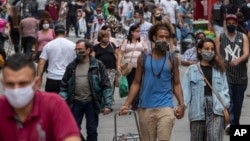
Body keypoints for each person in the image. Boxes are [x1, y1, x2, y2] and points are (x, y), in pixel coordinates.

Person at [119, 23, 185, 141]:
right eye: (161, 37)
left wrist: (181, 104)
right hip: (145, 107)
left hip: (166, 106)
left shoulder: (172, 59)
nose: (164, 40)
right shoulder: (143, 58)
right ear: (154, 38)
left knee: (164, 138)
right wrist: (126, 104)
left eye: (167, 37)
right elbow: (136, 82)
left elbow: (176, 83)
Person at [0, 53, 81, 141]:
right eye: (10, 84)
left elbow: (71, 138)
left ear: (37, 83)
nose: (16, 90)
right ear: (3, 83)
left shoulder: (54, 104)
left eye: (23, 84)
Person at [60, 39, 112, 141]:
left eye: (81, 49)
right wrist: (62, 102)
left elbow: (106, 84)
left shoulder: (98, 65)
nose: (78, 51)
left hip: (92, 103)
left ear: (88, 50)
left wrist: (107, 104)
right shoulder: (71, 66)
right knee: (73, 130)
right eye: (76, 49)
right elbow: (64, 86)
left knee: (92, 130)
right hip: (75, 103)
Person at [182, 38, 230, 141]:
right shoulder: (192, 70)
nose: (210, 51)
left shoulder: (219, 70)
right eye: (207, 48)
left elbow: (225, 90)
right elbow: (185, 93)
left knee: (214, 138)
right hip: (197, 110)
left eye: (212, 49)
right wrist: (182, 107)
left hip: (216, 109)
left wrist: (225, 106)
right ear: (199, 50)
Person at [215, 14, 249, 134]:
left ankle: (235, 123)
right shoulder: (220, 37)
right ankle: (229, 123)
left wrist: (238, 60)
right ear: (225, 24)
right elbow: (217, 53)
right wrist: (221, 64)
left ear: (237, 24)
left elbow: (246, 53)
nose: (231, 25)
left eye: (233, 23)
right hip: (226, 74)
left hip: (241, 75)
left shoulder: (243, 36)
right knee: (228, 100)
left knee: (238, 103)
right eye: (228, 23)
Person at [37, 24, 76, 93]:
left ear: (54, 33)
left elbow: (41, 62)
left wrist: (39, 77)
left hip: (52, 78)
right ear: (65, 32)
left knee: (51, 102)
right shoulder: (73, 45)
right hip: (67, 78)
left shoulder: (48, 45)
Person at [92, 30, 120, 104]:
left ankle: (108, 100)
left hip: (111, 68)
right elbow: (92, 58)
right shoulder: (95, 47)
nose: (106, 39)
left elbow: (118, 55)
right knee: (100, 84)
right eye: (104, 37)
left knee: (109, 84)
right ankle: (102, 99)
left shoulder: (112, 45)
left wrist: (118, 65)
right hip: (99, 69)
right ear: (100, 38)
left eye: (107, 37)